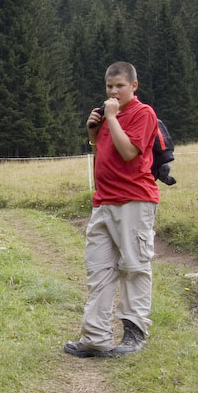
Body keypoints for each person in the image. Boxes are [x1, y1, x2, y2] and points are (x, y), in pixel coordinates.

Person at [64, 61, 160, 358]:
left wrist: (112, 118)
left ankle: (134, 334)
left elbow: (129, 152)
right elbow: (103, 155)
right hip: (103, 201)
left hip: (134, 200)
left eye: (120, 86)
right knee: (99, 270)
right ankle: (95, 337)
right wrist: (94, 133)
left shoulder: (143, 113)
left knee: (133, 267)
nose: (114, 91)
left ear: (134, 86)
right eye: (109, 86)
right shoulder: (109, 117)